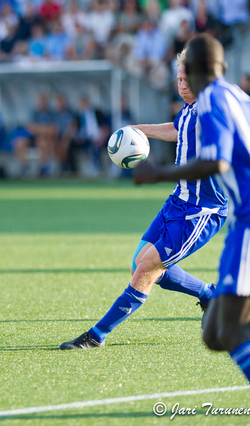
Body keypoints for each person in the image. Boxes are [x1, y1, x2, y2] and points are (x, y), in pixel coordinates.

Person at [61, 47, 227, 350]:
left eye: (189, 79)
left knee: (147, 268)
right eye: (179, 79)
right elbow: (177, 130)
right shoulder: (190, 109)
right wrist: (139, 130)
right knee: (139, 262)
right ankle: (210, 296)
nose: (183, 84)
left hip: (201, 212)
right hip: (178, 201)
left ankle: (97, 334)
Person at [134, 34, 250, 383]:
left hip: (246, 223)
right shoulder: (238, 96)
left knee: (225, 332)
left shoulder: (212, 100)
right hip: (239, 220)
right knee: (215, 334)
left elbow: (216, 163)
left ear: (194, 71)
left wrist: (158, 174)